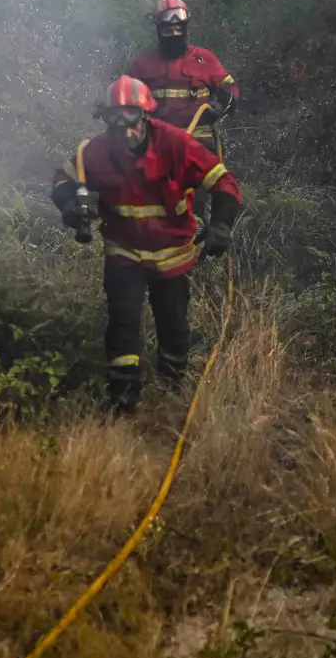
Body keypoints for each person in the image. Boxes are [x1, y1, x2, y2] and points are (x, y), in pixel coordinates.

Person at [51, 75, 242, 412]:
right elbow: (64, 178)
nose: (124, 133)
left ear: (146, 118)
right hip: (125, 252)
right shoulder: (94, 151)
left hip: (173, 254)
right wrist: (69, 206)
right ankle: (123, 398)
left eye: (131, 123)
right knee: (123, 322)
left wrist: (221, 225)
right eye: (115, 124)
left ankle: (172, 386)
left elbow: (222, 181)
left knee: (174, 326)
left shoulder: (176, 144)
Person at [126, 0, 238, 146]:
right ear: (158, 30)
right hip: (158, 144)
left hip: (199, 143)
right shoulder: (142, 65)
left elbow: (230, 89)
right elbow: (123, 94)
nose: (174, 35)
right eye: (168, 31)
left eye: (178, 29)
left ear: (185, 28)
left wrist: (220, 106)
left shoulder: (204, 59)